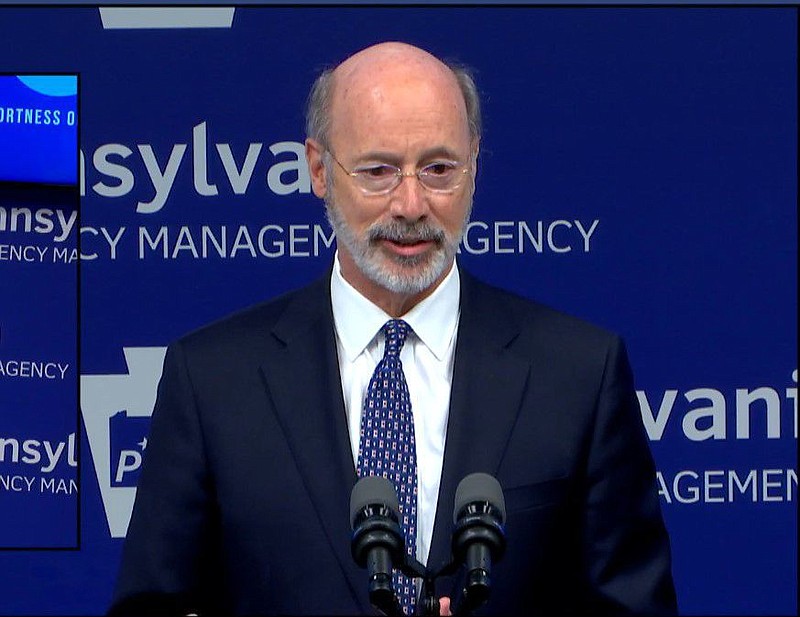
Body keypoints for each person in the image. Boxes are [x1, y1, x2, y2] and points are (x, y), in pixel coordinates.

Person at [110, 42, 677, 616]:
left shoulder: (579, 373)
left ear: (474, 165)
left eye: (437, 169)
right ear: (318, 170)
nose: (410, 203)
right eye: (379, 171)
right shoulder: (211, 380)